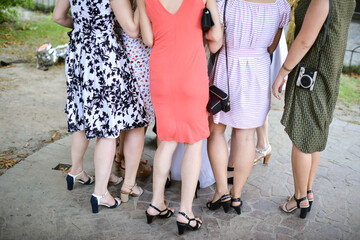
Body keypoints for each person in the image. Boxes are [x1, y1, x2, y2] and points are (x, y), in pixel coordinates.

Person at [53, 0, 148, 213]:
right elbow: (132, 30)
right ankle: (101, 193)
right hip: (103, 55)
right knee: (107, 126)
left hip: (78, 51)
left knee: (83, 116)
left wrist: (82, 26)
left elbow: (58, 17)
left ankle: (76, 170)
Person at [137, 0, 222, 235]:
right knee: (194, 143)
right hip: (191, 75)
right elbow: (216, 41)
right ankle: (185, 211)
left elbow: (148, 39)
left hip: (161, 75)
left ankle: (156, 203)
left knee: (167, 140)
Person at [272, 0, 355, 219]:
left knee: (301, 140)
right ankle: (307, 190)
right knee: (314, 136)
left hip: (310, 77)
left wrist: (283, 71)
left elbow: (305, 41)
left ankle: (299, 197)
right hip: (329, 76)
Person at [207, 0, 290, 215]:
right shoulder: (280, 6)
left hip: (228, 66)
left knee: (216, 131)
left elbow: (215, 41)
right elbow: (272, 46)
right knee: (246, 136)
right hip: (258, 70)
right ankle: (236, 196)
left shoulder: (225, 3)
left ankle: (221, 191)